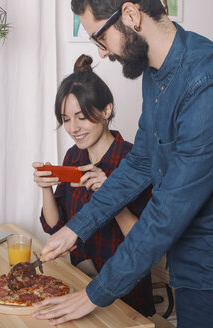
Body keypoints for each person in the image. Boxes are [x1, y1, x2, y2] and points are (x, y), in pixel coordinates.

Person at [32, 0, 213, 327]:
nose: (102, 53)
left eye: (100, 38)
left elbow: (168, 211)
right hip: (188, 264)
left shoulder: (210, 83)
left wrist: (94, 294)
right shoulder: (156, 73)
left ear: (130, 15)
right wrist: (77, 226)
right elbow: (140, 163)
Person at [33, 54, 155, 317]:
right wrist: (45, 187)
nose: (73, 128)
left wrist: (112, 195)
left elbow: (146, 242)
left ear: (106, 110)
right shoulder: (74, 157)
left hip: (125, 296)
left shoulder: (134, 162)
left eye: (82, 117)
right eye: (66, 119)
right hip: (79, 285)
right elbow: (56, 227)